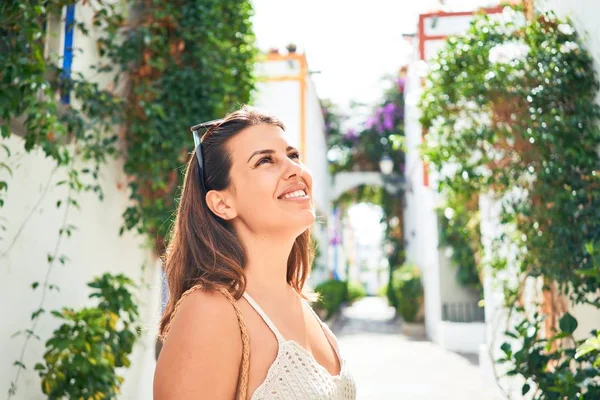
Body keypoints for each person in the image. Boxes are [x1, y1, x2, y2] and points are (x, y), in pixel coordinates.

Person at [153, 106, 356, 400]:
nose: (294, 169)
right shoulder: (210, 309)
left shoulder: (299, 303)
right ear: (222, 203)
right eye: (265, 161)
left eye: (293, 155)